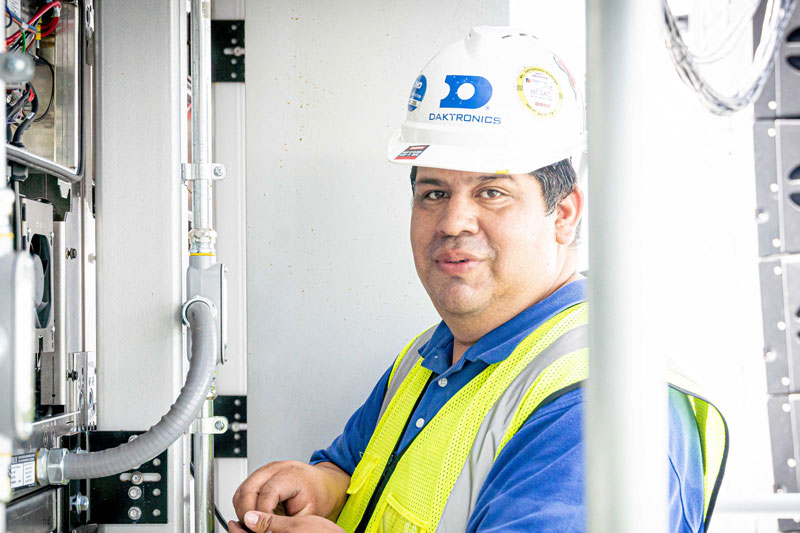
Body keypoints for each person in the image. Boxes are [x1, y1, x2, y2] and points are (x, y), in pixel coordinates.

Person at [229, 26, 727, 533]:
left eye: (491, 192)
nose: (452, 222)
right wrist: (321, 485)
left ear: (564, 213)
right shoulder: (431, 355)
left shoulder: (594, 406)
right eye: (433, 193)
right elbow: (358, 469)